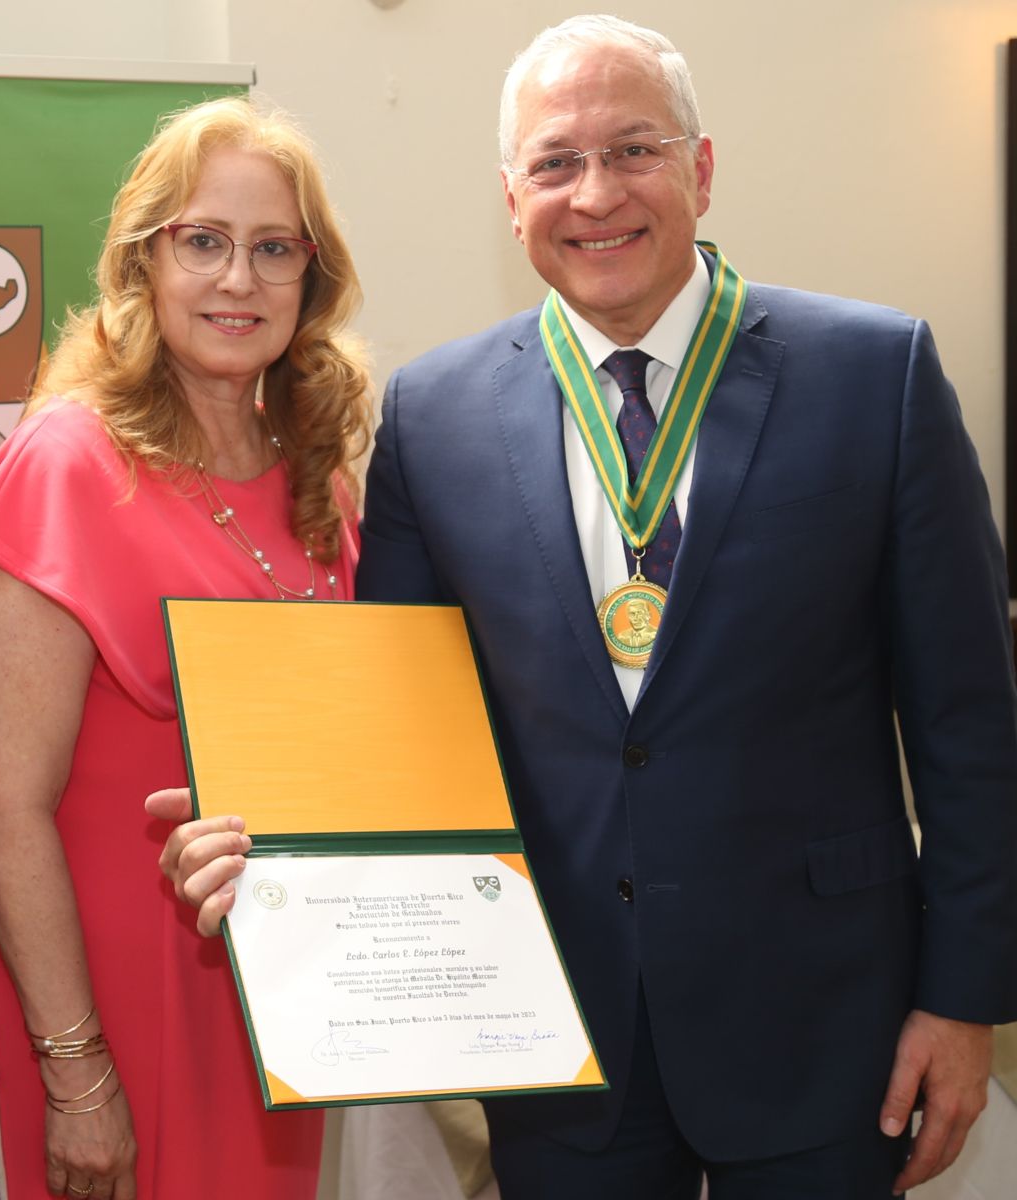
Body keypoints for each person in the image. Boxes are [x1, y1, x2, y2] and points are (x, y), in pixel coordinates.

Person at [150, 14, 1017, 1199]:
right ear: (512, 198)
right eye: (555, 162)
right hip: (552, 1029)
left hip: (825, 1022)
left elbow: (972, 727)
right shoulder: (436, 414)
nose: (595, 192)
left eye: (635, 150)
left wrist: (962, 999)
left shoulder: (878, 376)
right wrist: (277, 840)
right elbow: (403, 721)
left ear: (702, 171)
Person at [0, 96, 370, 1200]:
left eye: (274, 248)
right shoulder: (68, 465)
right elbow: (1, 799)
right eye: (204, 242)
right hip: (128, 996)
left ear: (311, 277)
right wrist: (78, 1071)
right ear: (143, 263)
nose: (240, 279)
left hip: (290, 991)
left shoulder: (317, 469)